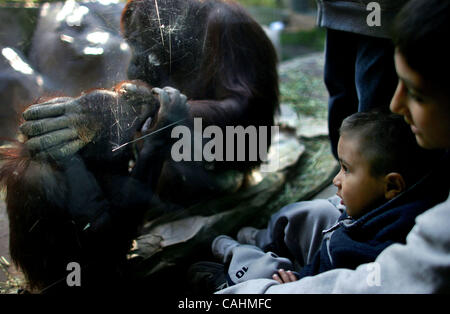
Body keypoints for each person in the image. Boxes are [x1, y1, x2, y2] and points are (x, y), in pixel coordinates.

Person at [216, 0, 450, 293]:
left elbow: (388, 282)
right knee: (306, 216)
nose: (395, 104)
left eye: (416, 93)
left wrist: (272, 290)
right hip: (346, 12)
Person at [188, 111, 446, 292]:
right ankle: (261, 240)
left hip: (311, 278)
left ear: (391, 186)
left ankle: (234, 262)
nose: (336, 179)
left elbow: (332, 284)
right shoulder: (405, 200)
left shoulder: (364, 254)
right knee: (314, 212)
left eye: (346, 169)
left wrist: (298, 285)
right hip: (330, 253)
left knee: (264, 271)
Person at [319, 0, 408, 159]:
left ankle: (372, 176)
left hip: (381, 11)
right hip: (337, 9)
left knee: (373, 112)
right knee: (341, 97)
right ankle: (346, 170)